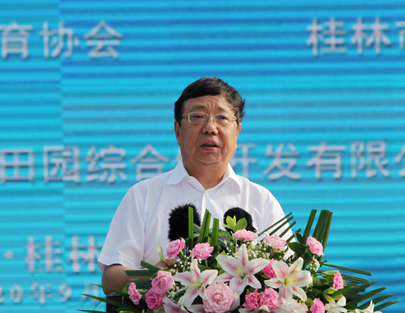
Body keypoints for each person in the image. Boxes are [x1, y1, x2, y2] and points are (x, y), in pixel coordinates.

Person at [98, 77, 289, 293]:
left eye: (222, 118)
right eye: (197, 117)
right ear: (178, 131)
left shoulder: (260, 200)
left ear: (237, 132)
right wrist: (157, 277)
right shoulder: (143, 195)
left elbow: (289, 276)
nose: (210, 128)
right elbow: (111, 278)